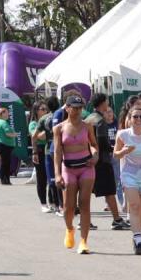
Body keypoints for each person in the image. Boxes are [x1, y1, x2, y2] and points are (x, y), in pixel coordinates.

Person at [53, 92, 97, 254]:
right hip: (68, 168)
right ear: (68, 108)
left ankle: (84, 241)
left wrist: (95, 154)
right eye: (75, 108)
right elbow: (57, 152)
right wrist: (57, 174)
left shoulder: (87, 126)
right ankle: (69, 229)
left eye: (80, 108)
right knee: (68, 207)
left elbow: (93, 144)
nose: (78, 111)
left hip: (86, 167)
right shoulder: (59, 128)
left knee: (85, 203)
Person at [113, 102, 141, 254]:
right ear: (130, 118)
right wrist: (124, 151)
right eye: (135, 116)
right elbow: (116, 154)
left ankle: (138, 235)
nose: (138, 119)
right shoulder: (123, 134)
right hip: (129, 174)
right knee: (134, 206)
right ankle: (139, 239)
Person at [88, 95, 127, 230]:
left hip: (88, 160)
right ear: (102, 103)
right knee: (110, 190)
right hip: (102, 161)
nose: (108, 104)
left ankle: (84, 221)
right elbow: (102, 142)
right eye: (106, 102)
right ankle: (117, 219)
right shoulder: (100, 120)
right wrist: (115, 149)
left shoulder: (88, 118)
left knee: (85, 192)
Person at [28, 100, 61, 212]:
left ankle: (52, 201)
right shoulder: (34, 123)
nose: (45, 111)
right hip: (40, 150)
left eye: (45, 109)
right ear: (36, 111)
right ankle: (43, 203)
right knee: (41, 178)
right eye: (42, 109)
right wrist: (49, 130)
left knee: (50, 177)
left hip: (49, 148)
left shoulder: (50, 119)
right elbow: (38, 137)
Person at [0, 103, 18, 184]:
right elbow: (8, 133)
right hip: (4, 145)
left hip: (0, 144)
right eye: (6, 112)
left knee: (4, 162)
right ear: (2, 114)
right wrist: (15, 134)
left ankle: (4, 179)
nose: (8, 114)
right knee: (5, 163)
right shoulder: (3, 122)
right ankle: (4, 180)